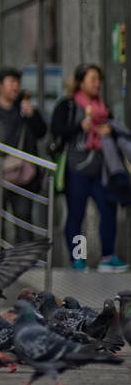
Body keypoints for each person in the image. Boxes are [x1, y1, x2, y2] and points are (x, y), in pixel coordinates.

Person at [50, 63, 127, 273]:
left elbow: (115, 132)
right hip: (77, 170)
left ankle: (107, 257)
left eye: (99, 80)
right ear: (81, 81)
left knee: (108, 210)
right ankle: (78, 259)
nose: (97, 84)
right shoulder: (69, 105)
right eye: (93, 79)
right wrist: (78, 127)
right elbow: (56, 130)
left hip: (101, 172)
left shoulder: (102, 108)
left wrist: (109, 129)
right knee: (77, 216)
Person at [0, 67, 48, 242]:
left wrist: (32, 115)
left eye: (17, 83)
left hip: (21, 171)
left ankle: (25, 259)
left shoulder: (24, 108)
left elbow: (41, 132)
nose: (15, 87)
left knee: (23, 215)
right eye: (11, 82)